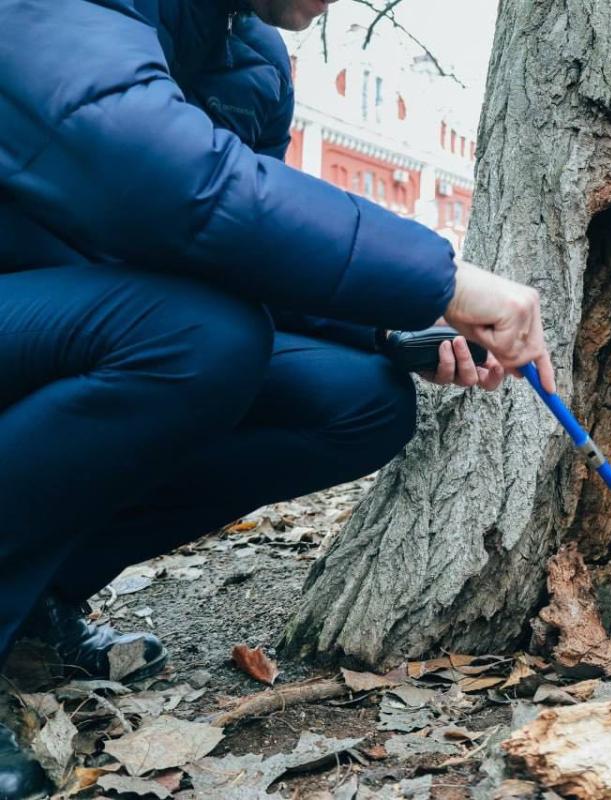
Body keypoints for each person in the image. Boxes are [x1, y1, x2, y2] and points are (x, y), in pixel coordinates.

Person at [0, 0, 555, 795]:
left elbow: (237, 256)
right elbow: (169, 180)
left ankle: (39, 598)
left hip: (82, 326)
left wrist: (393, 330)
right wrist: (442, 280)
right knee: (196, 338)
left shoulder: (249, 52)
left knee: (357, 399)